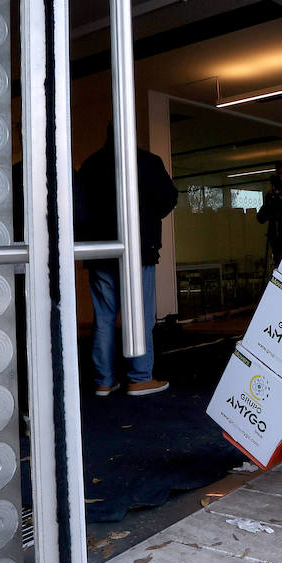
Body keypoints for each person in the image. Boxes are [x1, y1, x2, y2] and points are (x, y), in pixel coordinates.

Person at [74, 129, 178, 397]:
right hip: (137, 250)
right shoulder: (147, 161)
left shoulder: (90, 164)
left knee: (104, 317)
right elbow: (168, 199)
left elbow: (78, 208)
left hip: (99, 250)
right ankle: (140, 378)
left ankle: (104, 381)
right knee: (140, 315)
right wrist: (146, 218)